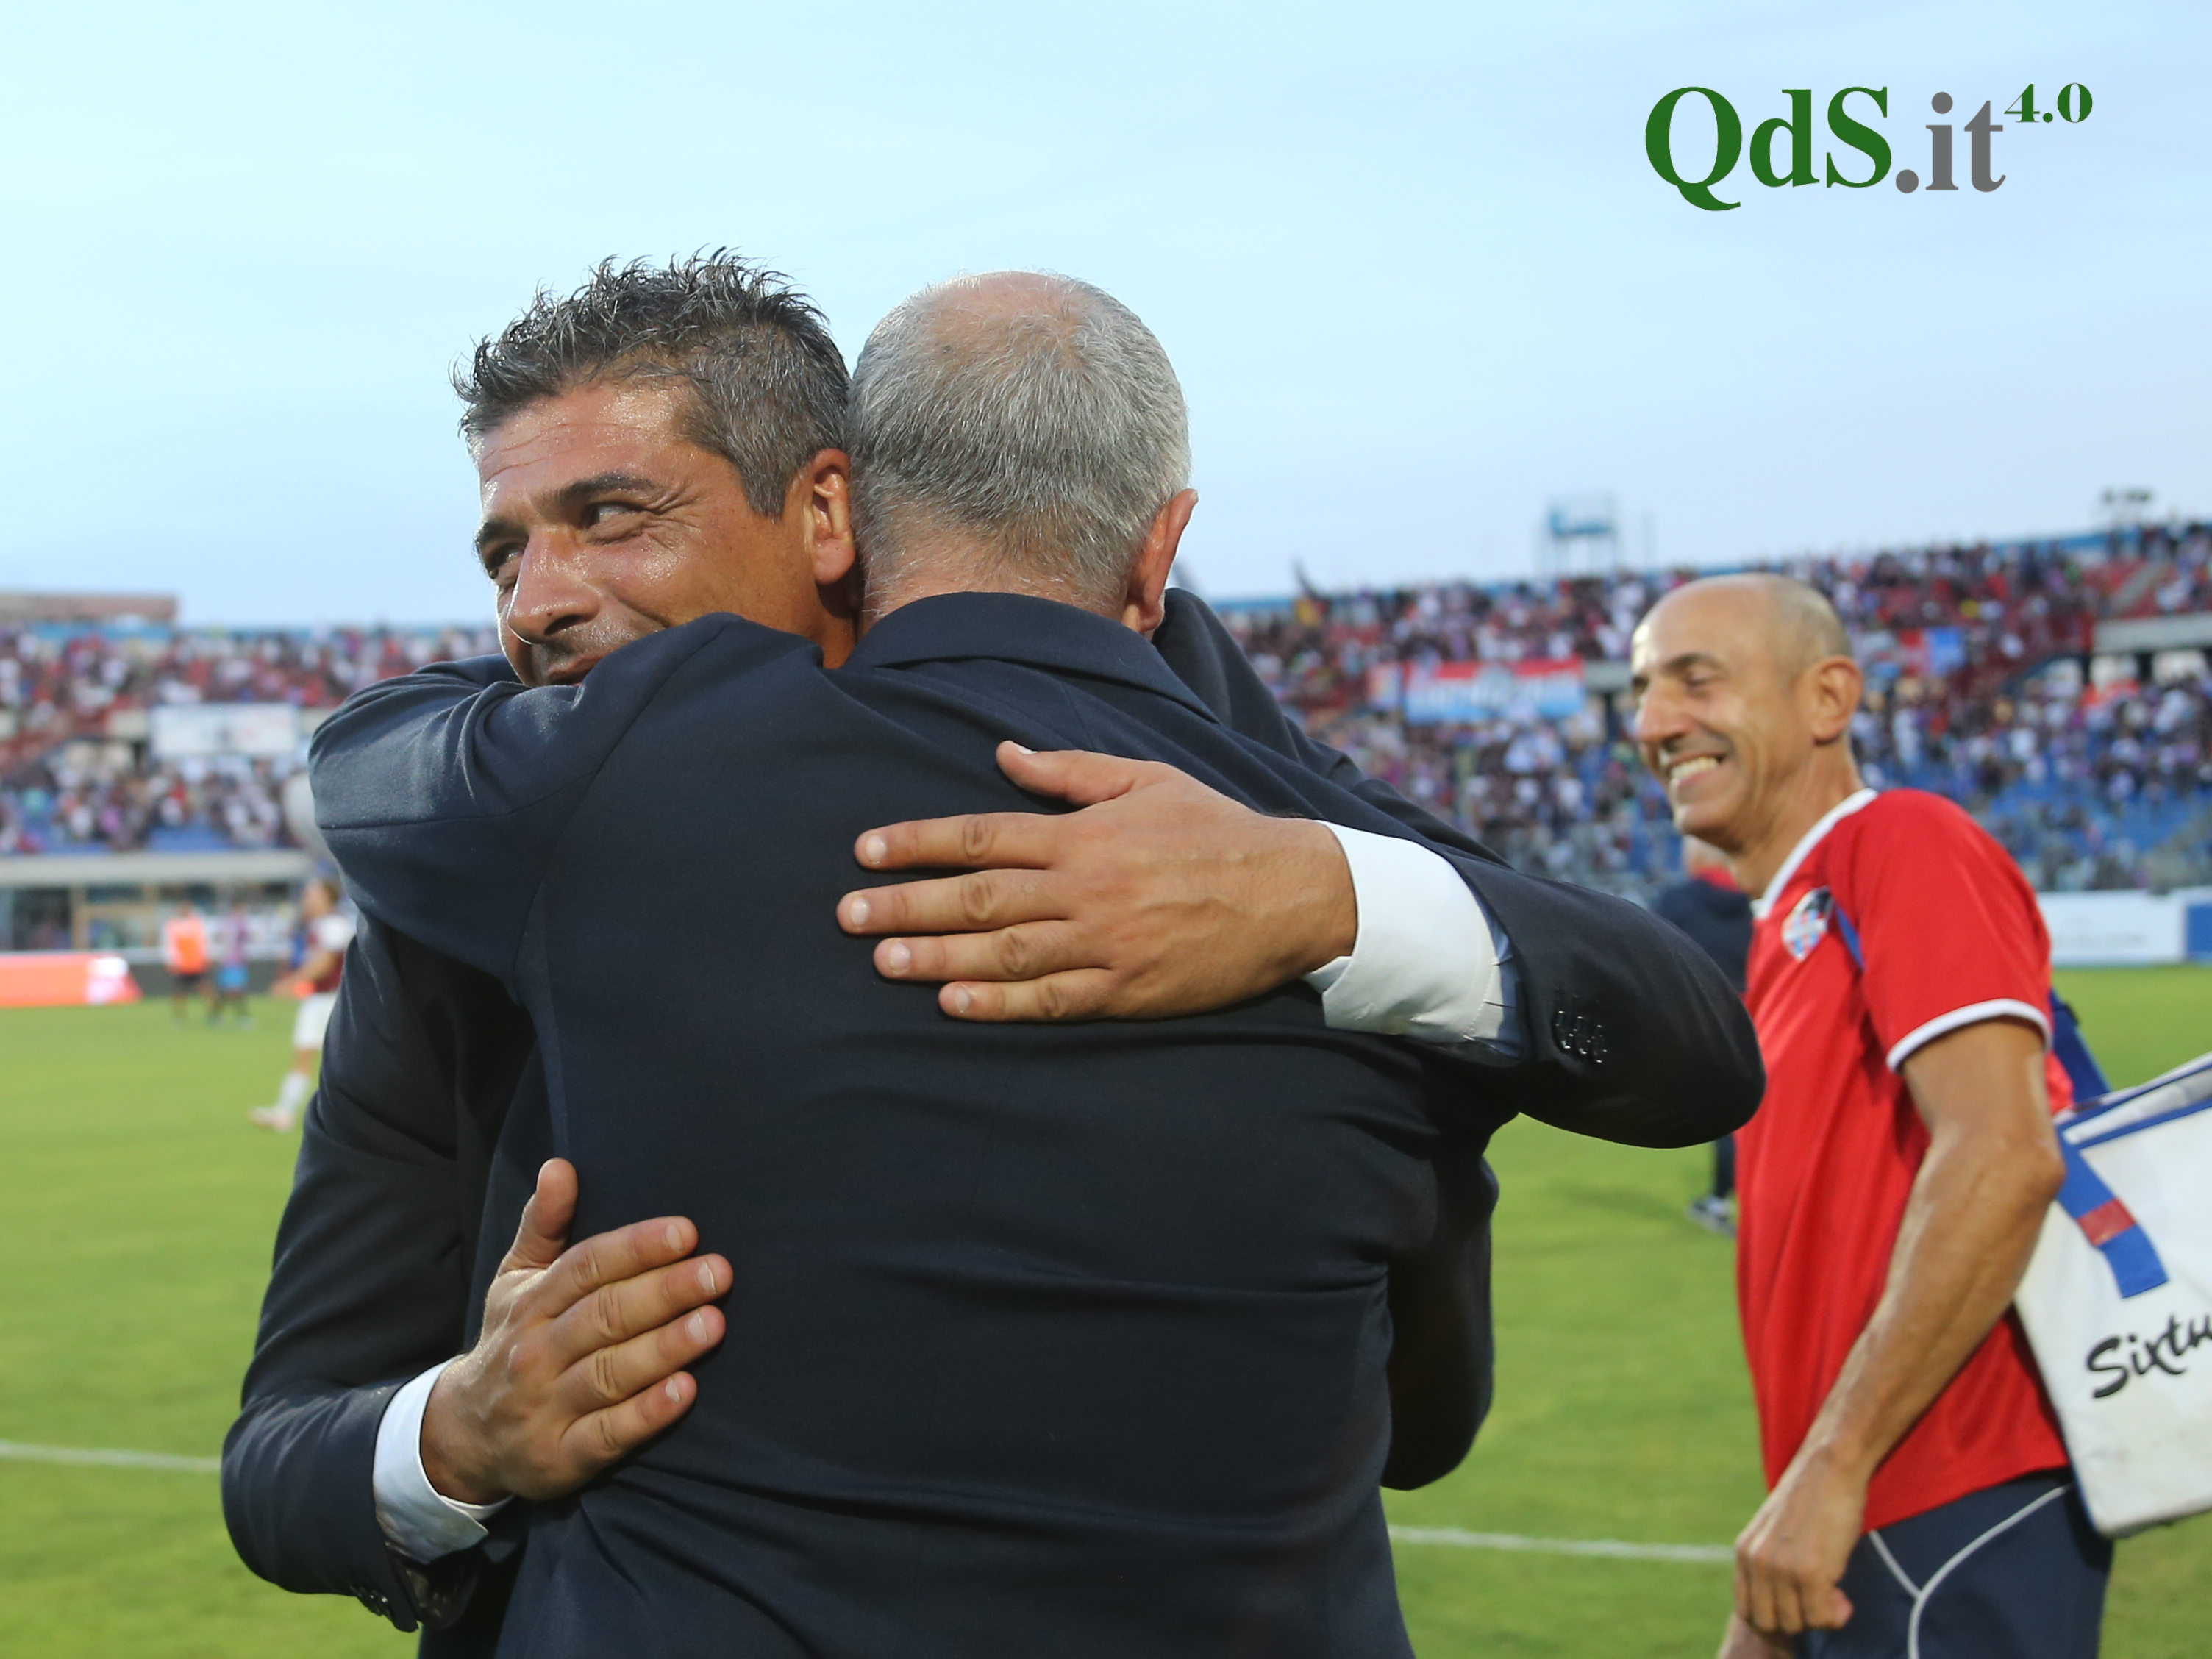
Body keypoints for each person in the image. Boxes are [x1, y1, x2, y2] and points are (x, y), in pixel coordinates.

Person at [225, 257, 1758, 1649]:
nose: (538, 602)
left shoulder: (1265, 835)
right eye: (504, 552)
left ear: (831, 511)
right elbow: (280, 1458)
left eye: (615, 516)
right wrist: (452, 1442)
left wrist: (1319, 894)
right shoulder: (492, 866)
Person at [1629, 574, 2100, 1659]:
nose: (1655, 723)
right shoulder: (1787, 924)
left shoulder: (1900, 841)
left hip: (1952, 1492)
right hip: (1853, 1520)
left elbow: (2004, 1154)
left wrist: (1834, 1467)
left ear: (1828, 699)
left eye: (1697, 681)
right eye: (1646, 692)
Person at [1650, 836, 1752, 1235]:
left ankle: (1720, 1201)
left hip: (1710, 1016)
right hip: (1764, 1012)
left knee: (1731, 1115)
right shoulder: (1756, 899)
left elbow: (1653, 957)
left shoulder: (1678, 902)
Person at [251, 877, 354, 1132]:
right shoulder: (318, 925)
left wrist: (290, 983)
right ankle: (284, 1112)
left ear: (327, 897)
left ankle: (296, 1113)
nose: (307, 899)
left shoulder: (334, 924)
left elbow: (325, 964)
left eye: (312, 894)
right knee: (305, 1056)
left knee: (337, 1062)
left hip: (334, 1000)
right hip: (320, 1000)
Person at [160, 901, 210, 1021]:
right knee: (179, 992)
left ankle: (213, 1014)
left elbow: (203, 942)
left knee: (206, 990)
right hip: (181, 965)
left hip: (196, 964)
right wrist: (171, 961)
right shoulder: (173, 925)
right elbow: (169, 945)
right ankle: (179, 1016)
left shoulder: (197, 923)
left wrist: (206, 958)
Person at [211, 899, 255, 1027]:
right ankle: (240, 1016)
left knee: (232, 991)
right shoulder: (238, 924)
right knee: (234, 990)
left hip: (230, 962)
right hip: (233, 962)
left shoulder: (227, 923)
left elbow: (218, 937)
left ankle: (218, 1015)